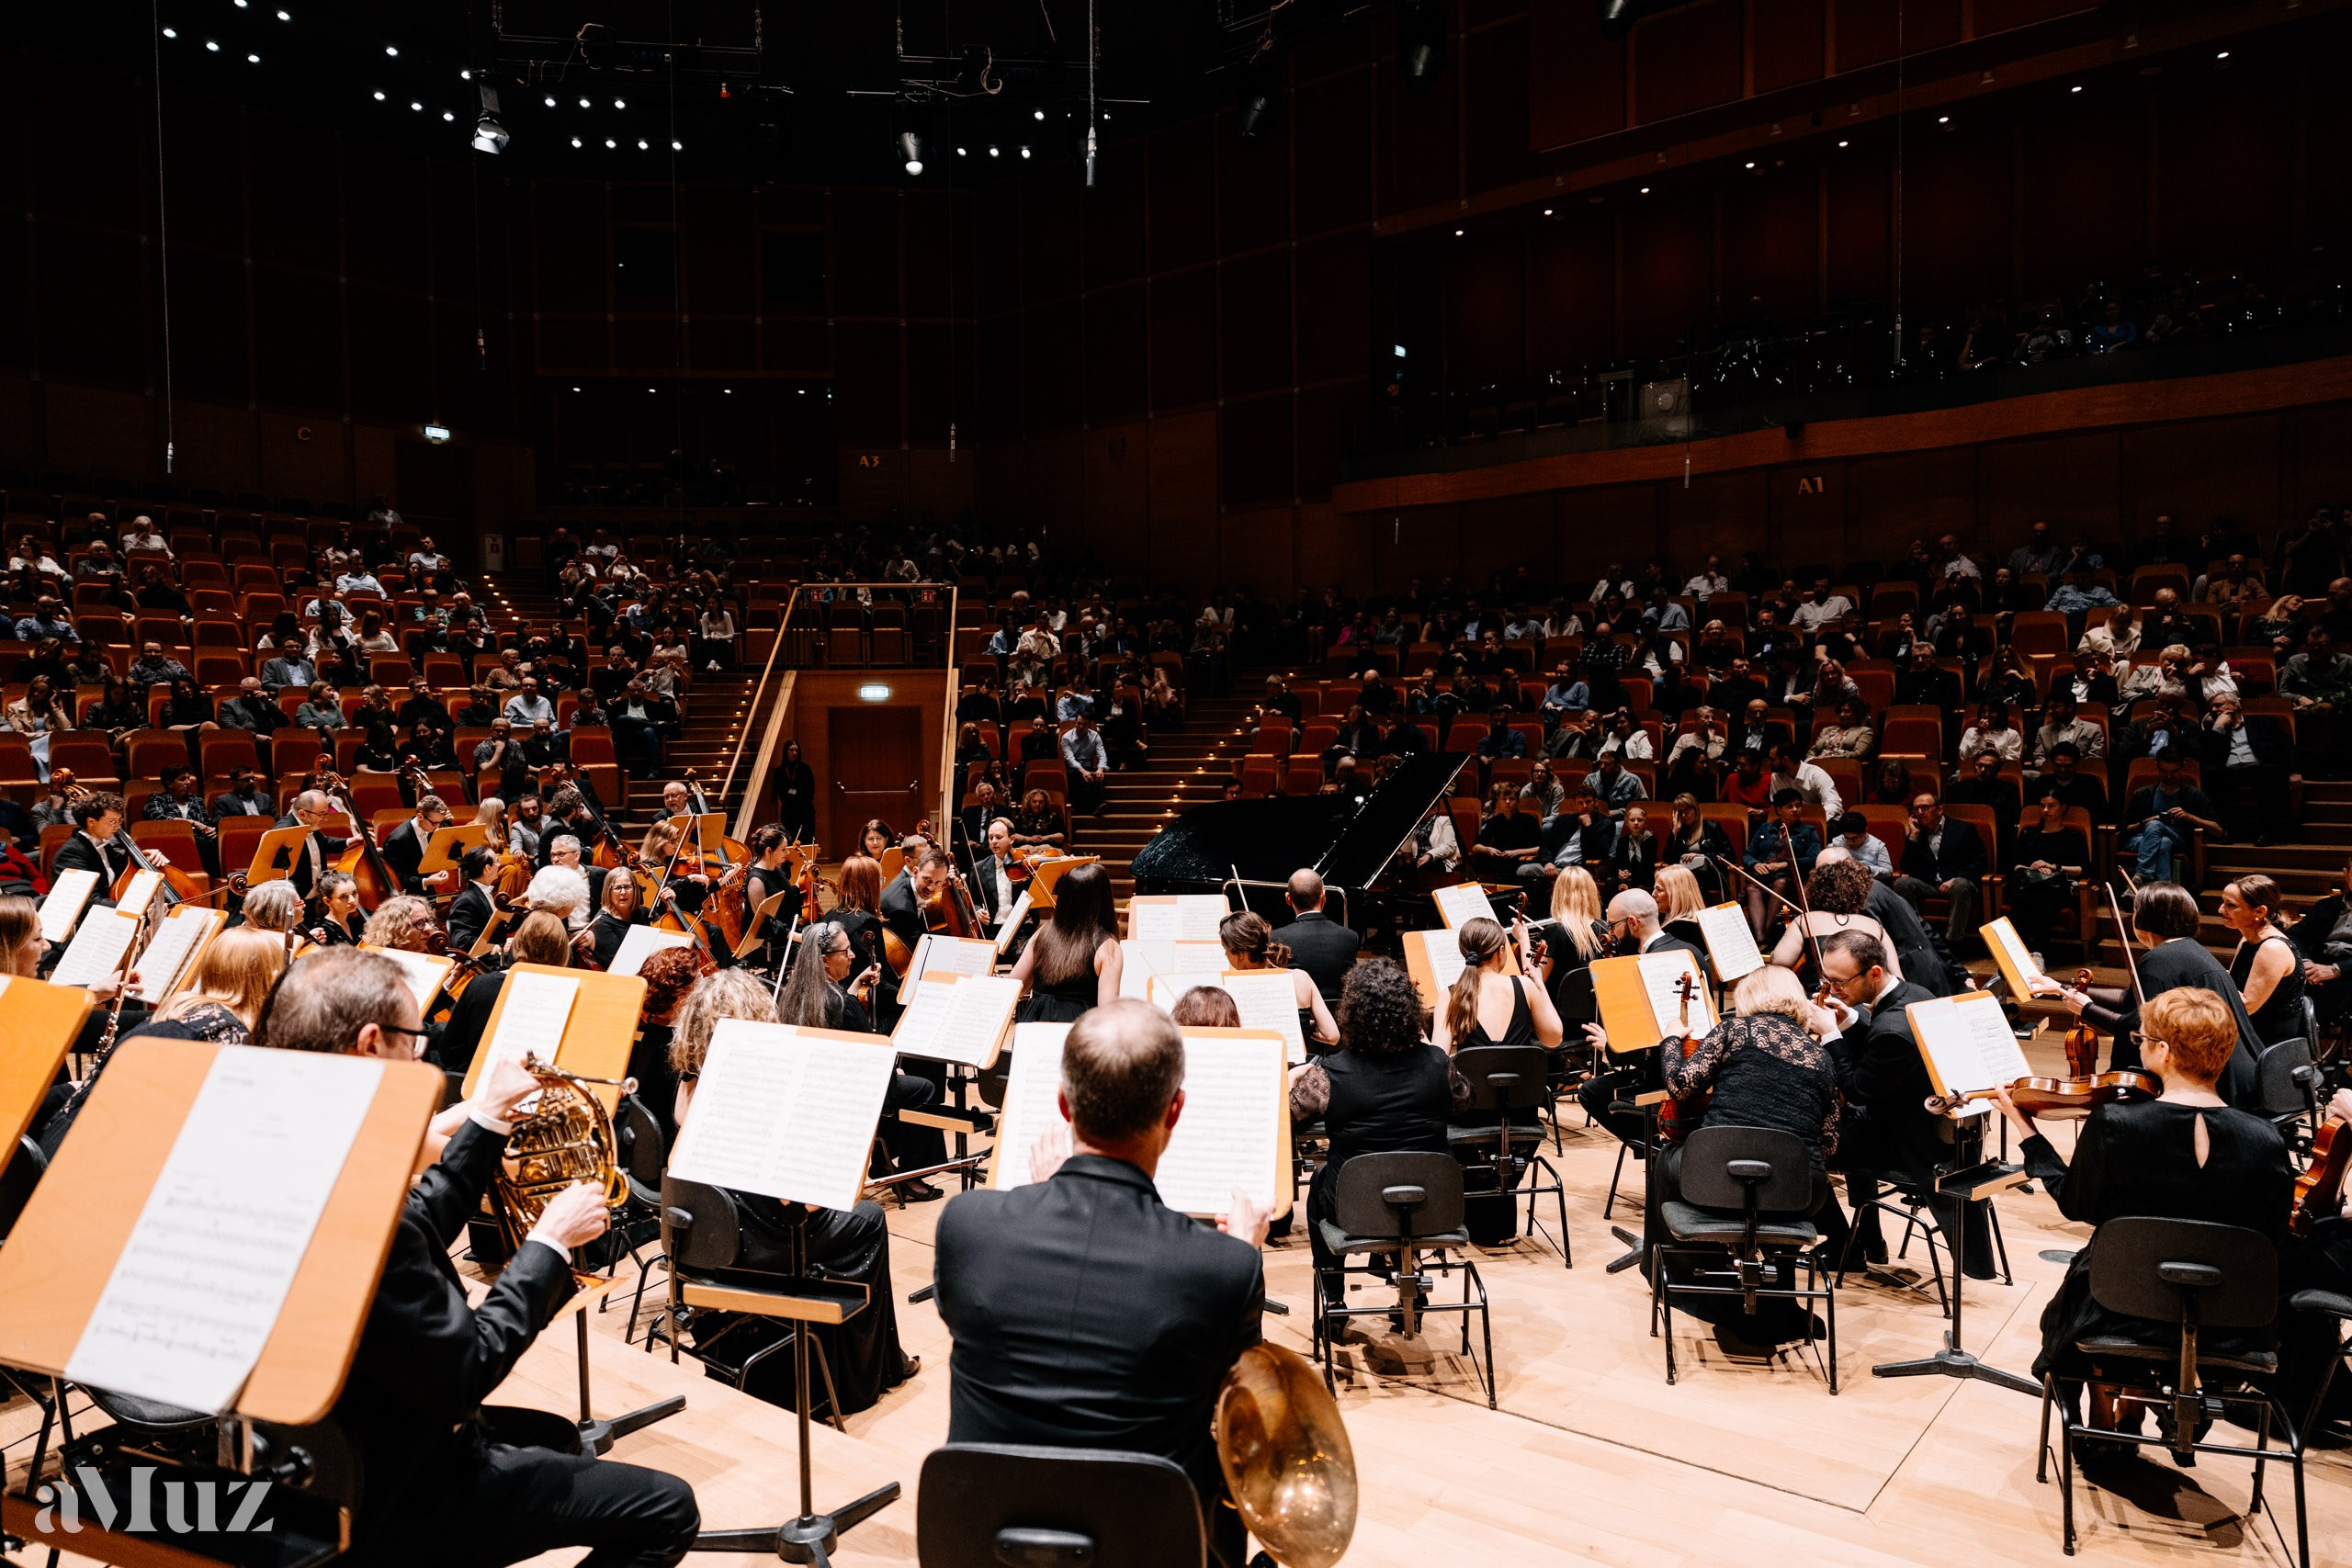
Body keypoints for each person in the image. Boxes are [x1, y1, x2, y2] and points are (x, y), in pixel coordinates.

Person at [249, 948, 701, 1567]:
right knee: (668, 1509)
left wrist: (487, 1118)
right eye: (415, 1041)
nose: (423, 1058)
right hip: (390, 1487)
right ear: (371, 1043)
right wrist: (549, 1244)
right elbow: (468, 1369)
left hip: (315, 1440)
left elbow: (415, 1220)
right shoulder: (350, 1196)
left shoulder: (291, 1144)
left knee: (557, 1436)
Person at [932, 1000, 1268, 1568]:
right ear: (1175, 1110)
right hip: (1150, 1549)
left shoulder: (966, 1226)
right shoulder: (1223, 1268)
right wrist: (1243, 1252)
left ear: (1065, 1105)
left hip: (990, 1545)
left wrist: (1045, 1196)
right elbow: (1238, 1395)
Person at [1995, 987, 2291, 1422]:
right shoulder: (2267, 1139)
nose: (2139, 1046)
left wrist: (2028, 1133)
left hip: (2118, 1307)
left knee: (2107, 1270)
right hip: (2231, 1318)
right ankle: (2134, 1404)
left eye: (2142, 1039)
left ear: (2165, 1051)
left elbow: (2077, 1206)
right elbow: (2272, 1234)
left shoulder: (2116, 1122)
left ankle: (2108, 1414)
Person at [1289, 958, 1467, 1337]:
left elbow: (1289, 1116)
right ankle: (1411, 1292)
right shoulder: (1438, 1064)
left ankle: (1334, 1304)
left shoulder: (1330, 1073)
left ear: (1353, 1012)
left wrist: (1291, 1077)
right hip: (1433, 1203)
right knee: (1412, 1177)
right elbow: (1466, 1100)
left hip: (1353, 1206)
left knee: (1320, 1181)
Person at [2027, 882, 2262, 1108]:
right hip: (2243, 1076)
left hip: (2221, 1084)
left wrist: (2086, 1009)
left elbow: (2139, 1031)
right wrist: (2063, 988)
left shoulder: (2161, 959)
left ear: (2145, 919)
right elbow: (2129, 999)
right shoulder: (2187, 950)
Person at [436, 912, 571, 1077]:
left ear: (518, 943)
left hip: (479, 1081)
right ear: (562, 952)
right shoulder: (569, 994)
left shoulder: (480, 985)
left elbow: (449, 1053)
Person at [1009, 860, 1122, 1021]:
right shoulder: (1108, 947)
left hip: (1033, 1027)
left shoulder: (1042, 933)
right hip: (1076, 1029)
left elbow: (1014, 986)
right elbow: (1107, 1014)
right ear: (1104, 899)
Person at [1769, 857, 1904, 985]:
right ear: (1859, 892)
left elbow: (1781, 961)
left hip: (1819, 997)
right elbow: (1897, 978)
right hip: (1864, 1000)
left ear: (1815, 891)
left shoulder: (1805, 920)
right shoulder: (1873, 925)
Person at [1217, 910, 1339, 1050]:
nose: (1225, 954)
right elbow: (1331, 1036)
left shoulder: (1232, 988)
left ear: (1240, 954)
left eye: (1225, 949)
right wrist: (1301, 1026)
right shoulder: (1301, 977)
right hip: (1298, 1063)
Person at [2219, 874, 2306, 1046]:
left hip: (2268, 1044)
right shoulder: (2247, 939)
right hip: (2248, 1029)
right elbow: (2233, 983)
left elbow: (2247, 1006)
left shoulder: (2273, 948)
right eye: (2223, 903)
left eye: (2231, 905)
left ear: (2259, 911)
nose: (2221, 910)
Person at [1893, 793, 1984, 954]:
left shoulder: (1963, 829)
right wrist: (1913, 837)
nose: (1919, 812)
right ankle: (1917, 939)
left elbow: (1979, 862)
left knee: (1960, 885)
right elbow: (1906, 867)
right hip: (1930, 885)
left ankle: (1953, 943)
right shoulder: (1917, 834)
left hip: (1958, 883)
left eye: (1925, 808)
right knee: (1902, 883)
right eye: (1916, 809)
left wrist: (1956, 878)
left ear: (1939, 810)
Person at [2005, 788, 2090, 955]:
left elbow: (2083, 869)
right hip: (2029, 883)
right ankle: (2018, 954)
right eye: (2042, 806)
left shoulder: (2073, 836)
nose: (2045, 810)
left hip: (2058, 886)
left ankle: (2038, 952)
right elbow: (2015, 865)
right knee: (2021, 897)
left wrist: (2054, 867)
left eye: (2051, 806)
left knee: (2042, 898)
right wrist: (2034, 868)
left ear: (2063, 807)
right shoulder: (2028, 834)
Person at [2117, 754, 2219, 885]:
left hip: (2178, 839)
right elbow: (2125, 829)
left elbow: (2218, 830)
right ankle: (2164, 889)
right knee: (2164, 841)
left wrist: (2188, 816)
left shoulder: (2194, 795)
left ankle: (2141, 876)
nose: (2169, 776)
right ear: (2157, 767)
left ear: (2182, 767)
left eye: (2174, 772)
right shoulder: (2143, 794)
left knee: (2156, 827)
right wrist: (2146, 822)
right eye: (2164, 772)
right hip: (2141, 839)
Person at [1271, 868, 1360, 1009]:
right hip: (1340, 1016)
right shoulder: (1350, 937)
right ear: (1323, 897)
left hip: (1301, 1016)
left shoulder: (1276, 938)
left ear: (1288, 899)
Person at [1740, 789, 1820, 942]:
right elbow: (1747, 855)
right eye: (1790, 806)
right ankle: (1760, 938)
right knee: (1752, 889)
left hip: (1791, 878)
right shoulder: (1765, 829)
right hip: (1764, 876)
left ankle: (1766, 933)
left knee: (1780, 883)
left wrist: (1785, 864)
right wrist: (1755, 864)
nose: (1795, 809)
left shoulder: (1808, 831)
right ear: (1779, 810)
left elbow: (1813, 858)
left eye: (1798, 805)